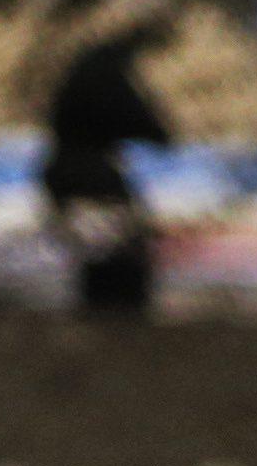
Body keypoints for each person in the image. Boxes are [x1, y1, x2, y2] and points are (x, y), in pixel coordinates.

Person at [39, 29, 176, 317]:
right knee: (115, 258)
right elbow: (149, 127)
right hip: (87, 177)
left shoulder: (88, 75)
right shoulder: (104, 78)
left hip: (73, 173)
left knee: (106, 256)